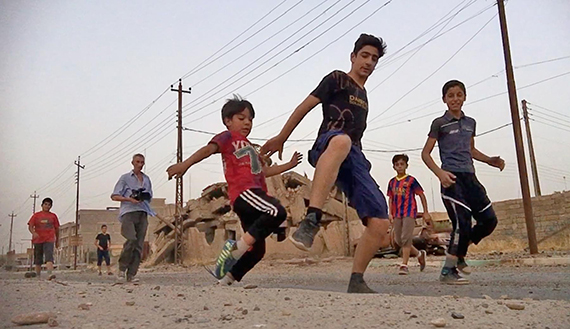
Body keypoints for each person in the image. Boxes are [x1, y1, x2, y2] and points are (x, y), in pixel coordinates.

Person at [261, 34, 390, 293]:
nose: (369, 62)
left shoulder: (364, 95)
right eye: (364, 55)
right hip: (329, 143)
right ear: (353, 57)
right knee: (341, 141)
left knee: (380, 222)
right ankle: (312, 219)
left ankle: (357, 279)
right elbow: (304, 106)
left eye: (374, 58)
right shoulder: (337, 79)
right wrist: (281, 137)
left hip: (353, 156)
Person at [167, 96, 301, 285]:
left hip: (254, 196)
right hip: (245, 192)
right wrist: (185, 164)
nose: (247, 122)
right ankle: (235, 248)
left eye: (250, 119)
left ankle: (226, 280)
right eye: (241, 118)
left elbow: (264, 172)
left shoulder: (252, 148)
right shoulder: (228, 137)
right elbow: (208, 150)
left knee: (258, 250)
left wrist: (289, 165)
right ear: (227, 121)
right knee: (276, 211)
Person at [421, 80, 505, 285]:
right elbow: (425, 154)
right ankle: (447, 272)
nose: (455, 99)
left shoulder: (470, 123)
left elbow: (471, 150)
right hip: (451, 179)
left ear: (465, 97)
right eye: (451, 96)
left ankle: (459, 254)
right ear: (444, 100)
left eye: (459, 95)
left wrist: (490, 160)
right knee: (462, 223)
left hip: (470, 178)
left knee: (489, 220)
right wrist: (440, 174)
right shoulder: (439, 124)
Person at [111, 154, 155, 282]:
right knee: (131, 240)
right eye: (137, 161)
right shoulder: (125, 178)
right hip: (128, 212)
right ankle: (121, 269)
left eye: (142, 162)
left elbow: (149, 196)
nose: (140, 164)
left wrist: (143, 196)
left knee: (139, 245)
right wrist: (129, 198)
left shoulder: (147, 179)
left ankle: (132, 274)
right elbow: (114, 196)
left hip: (143, 211)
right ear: (132, 162)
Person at [387, 154, 431, 275]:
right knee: (398, 240)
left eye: (402, 164)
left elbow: (421, 195)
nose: (400, 167)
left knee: (406, 238)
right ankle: (419, 254)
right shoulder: (392, 182)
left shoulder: (411, 180)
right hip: (397, 213)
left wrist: (426, 211)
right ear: (394, 167)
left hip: (409, 212)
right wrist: (390, 213)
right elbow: (390, 198)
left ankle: (404, 265)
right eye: (397, 165)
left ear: (406, 165)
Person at [28, 197, 60, 279]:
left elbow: (57, 229)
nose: (47, 206)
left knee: (49, 256)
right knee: (38, 258)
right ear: (42, 205)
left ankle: (50, 274)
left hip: (49, 239)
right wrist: (33, 233)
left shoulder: (53, 216)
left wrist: (57, 240)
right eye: (45, 204)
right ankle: (38, 275)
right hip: (38, 240)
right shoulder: (36, 215)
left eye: (49, 205)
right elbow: (30, 226)